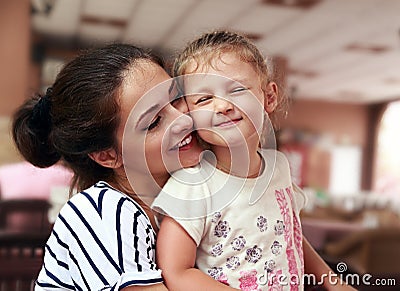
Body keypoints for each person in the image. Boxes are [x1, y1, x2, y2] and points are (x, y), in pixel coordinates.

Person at [153, 31, 356, 290]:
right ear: (189, 113)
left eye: (236, 90)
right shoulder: (192, 186)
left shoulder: (279, 168)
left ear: (268, 97)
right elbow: (176, 271)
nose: (222, 106)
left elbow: (290, 233)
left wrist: (333, 282)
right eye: (204, 99)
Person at [12, 43, 203, 290]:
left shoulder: (176, 202)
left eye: (176, 98)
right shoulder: (104, 213)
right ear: (107, 156)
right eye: (154, 122)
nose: (184, 120)